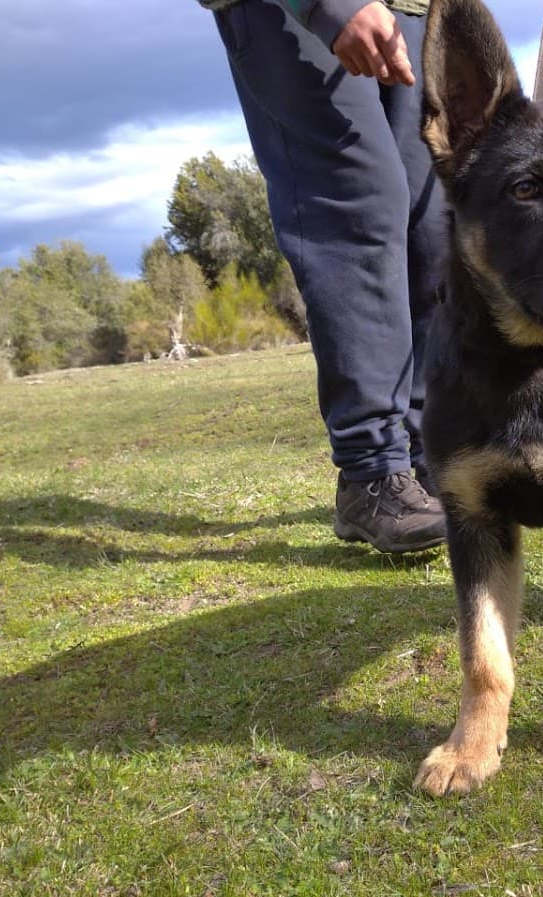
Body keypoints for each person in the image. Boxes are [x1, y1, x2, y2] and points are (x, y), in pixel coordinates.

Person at [198, 0, 447, 553]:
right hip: (292, 15)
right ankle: (372, 472)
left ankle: (430, 460)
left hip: (414, 10)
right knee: (358, 205)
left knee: (433, 222)